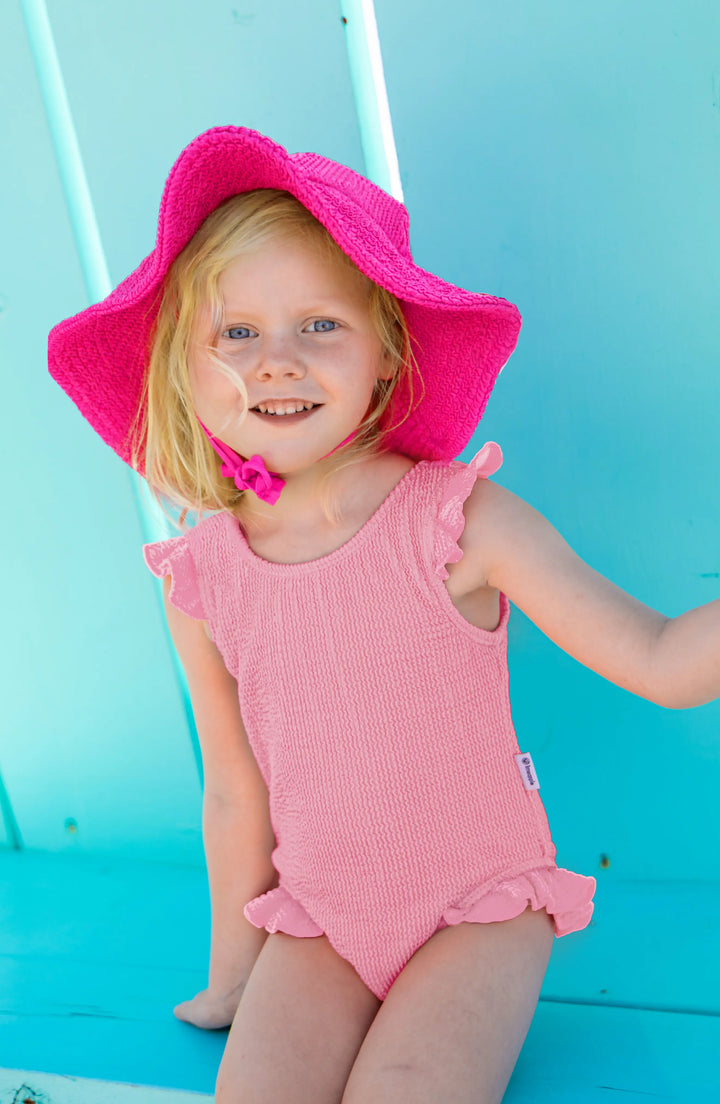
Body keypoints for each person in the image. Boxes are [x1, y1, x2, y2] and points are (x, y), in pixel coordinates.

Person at [48, 125, 719, 1104]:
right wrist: (234, 976)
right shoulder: (202, 576)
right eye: (237, 333)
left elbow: (660, 659)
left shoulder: (459, 522)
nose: (276, 362)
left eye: (320, 324)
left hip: (478, 909)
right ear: (182, 367)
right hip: (322, 918)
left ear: (387, 350)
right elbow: (235, 792)